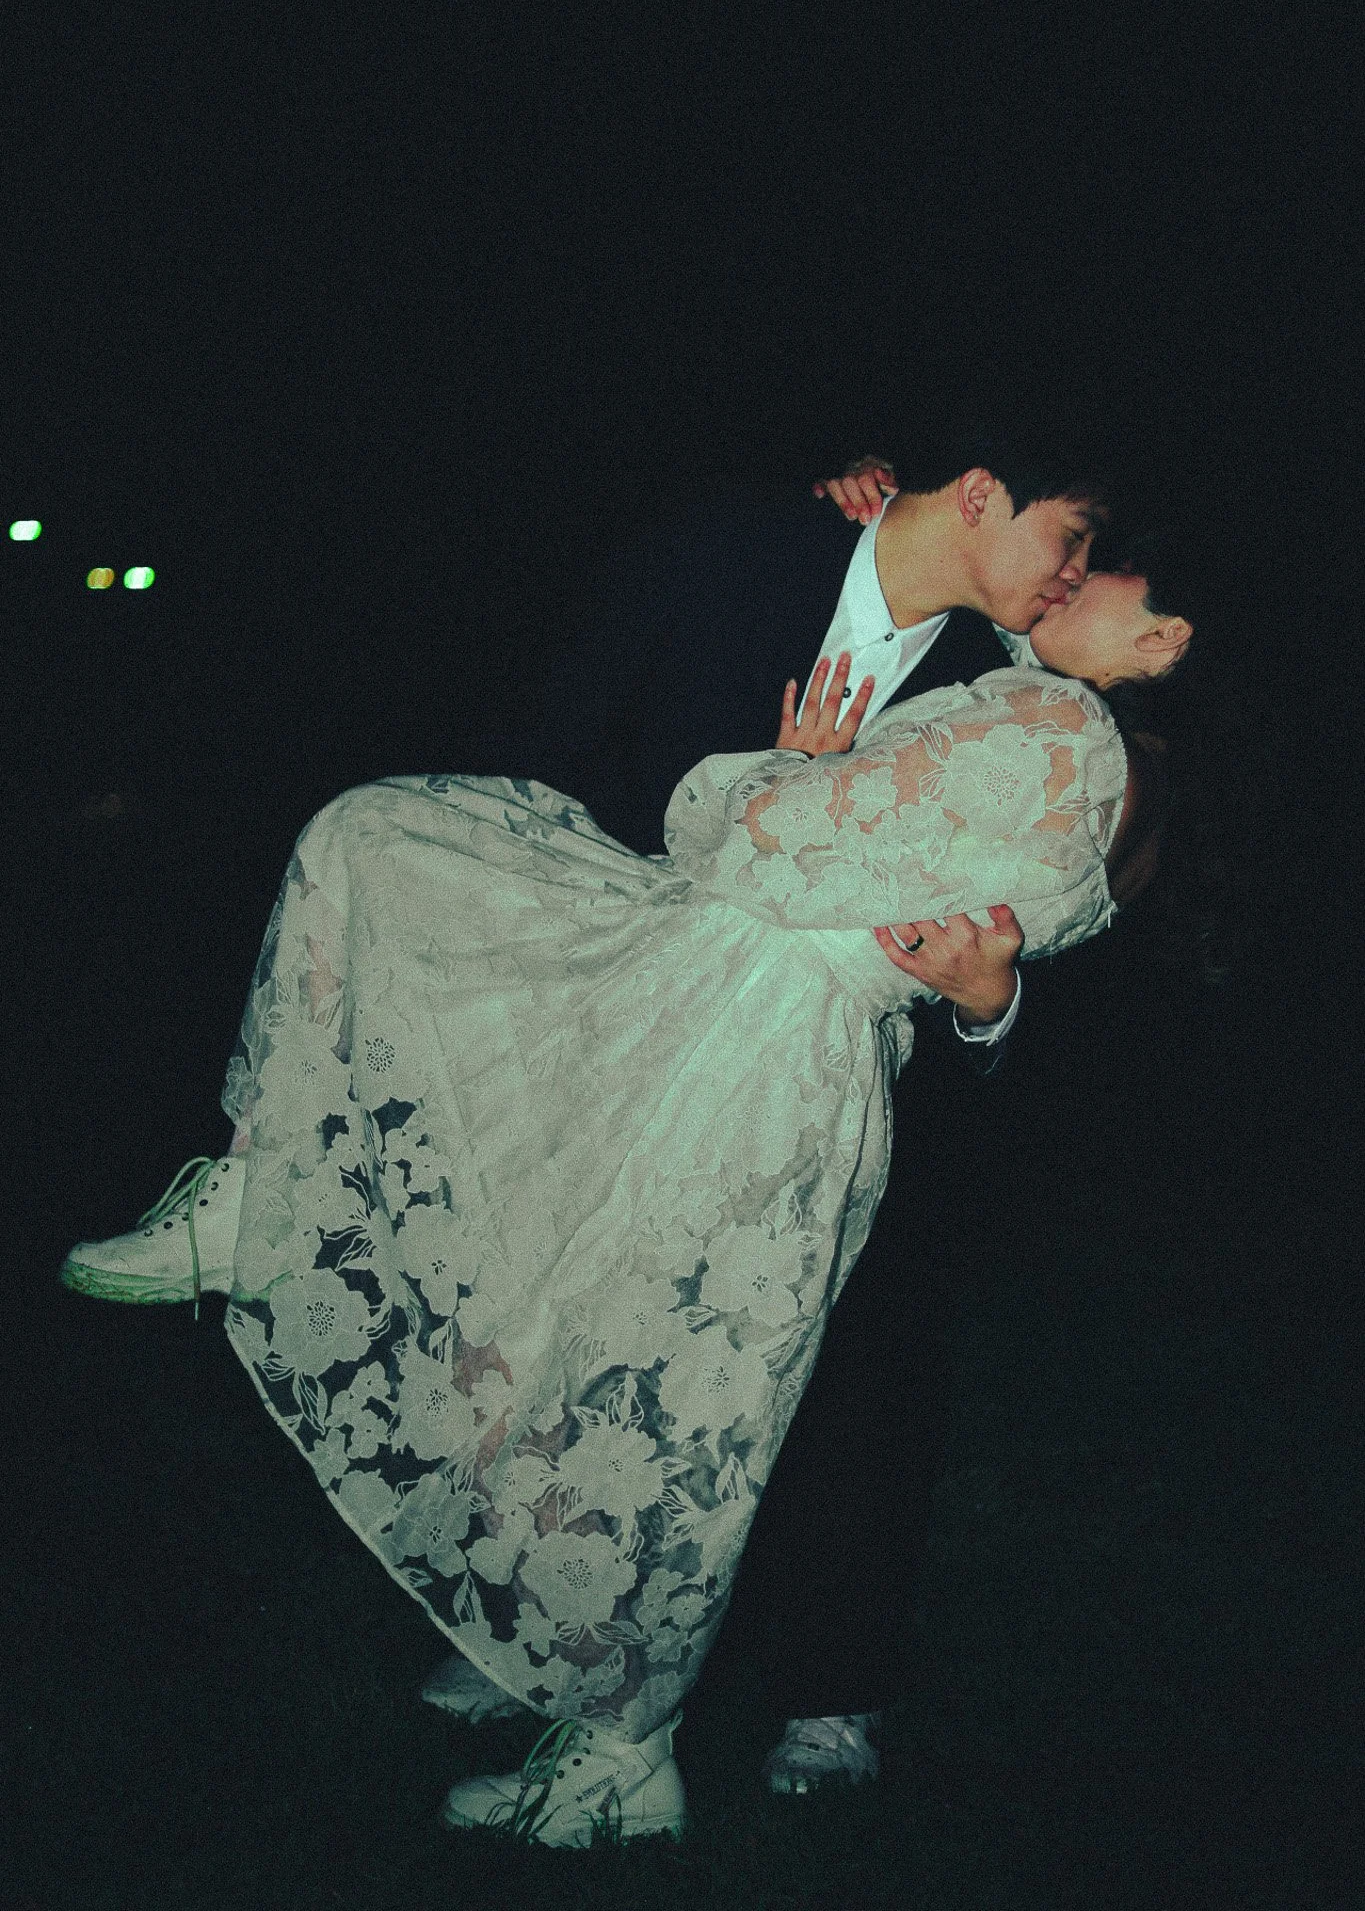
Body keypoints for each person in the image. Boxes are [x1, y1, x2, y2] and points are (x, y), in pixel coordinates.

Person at [61, 535, 1192, 1847]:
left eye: (1107, 570)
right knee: (621, 1373)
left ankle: (640, 1741)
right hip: (727, 1024)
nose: (1073, 574)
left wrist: (786, 783)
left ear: (1163, 643)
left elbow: (756, 843)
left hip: (759, 1055)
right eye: (1074, 546)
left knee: (657, 1391)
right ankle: (572, 1688)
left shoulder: (1050, 720)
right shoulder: (1035, 712)